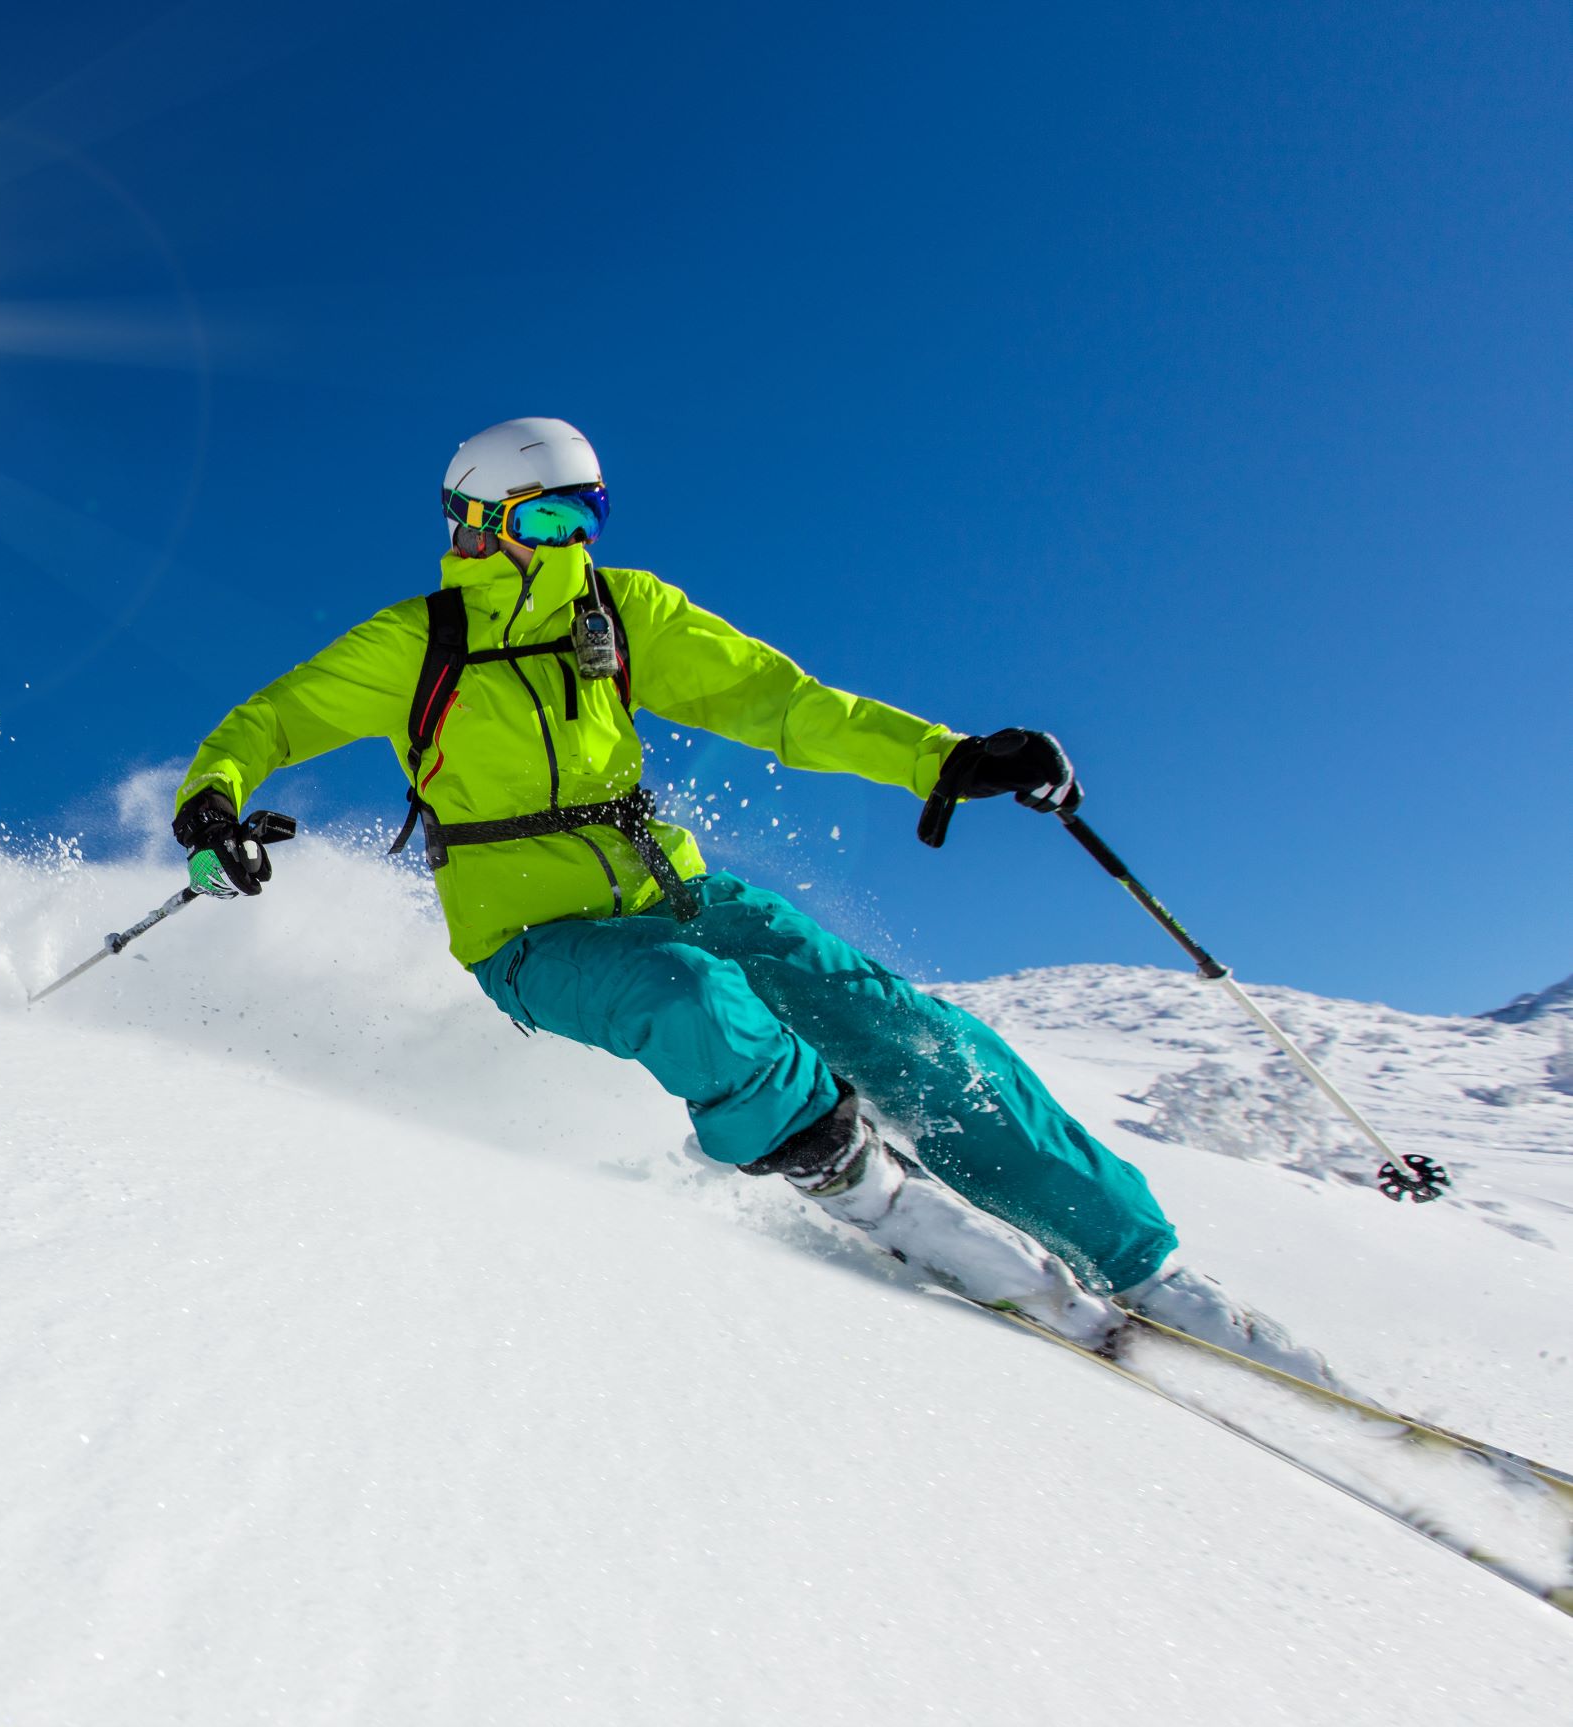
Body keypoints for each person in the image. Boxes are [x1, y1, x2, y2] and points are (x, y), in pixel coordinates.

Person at [170, 416, 1331, 1380]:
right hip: (530, 936)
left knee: (911, 1031)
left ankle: (1142, 1267)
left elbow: (783, 703)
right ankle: (874, 1196)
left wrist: (944, 756)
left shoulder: (617, 616)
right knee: (692, 999)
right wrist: (213, 806)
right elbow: (267, 721)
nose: (570, 538)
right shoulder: (411, 644)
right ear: (475, 522)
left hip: (676, 887)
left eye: (587, 515)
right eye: (544, 518)